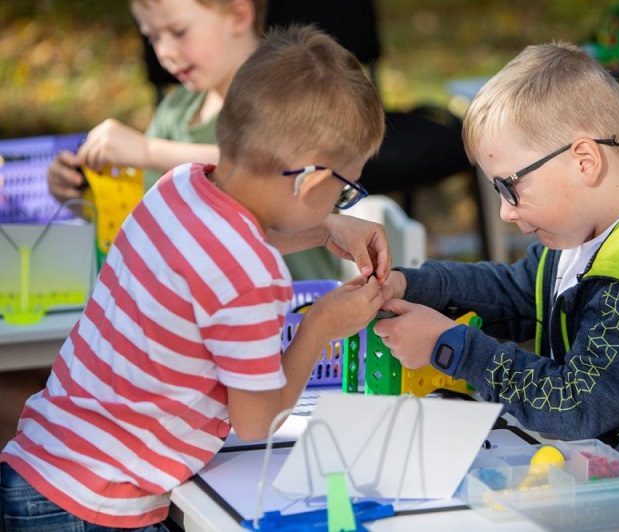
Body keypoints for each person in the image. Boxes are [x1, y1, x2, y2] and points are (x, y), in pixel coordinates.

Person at [373, 42, 619, 531]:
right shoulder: (597, 227)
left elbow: (574, 404)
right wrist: (408, 284)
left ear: (585, 160)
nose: (505, 211)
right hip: (602, 492)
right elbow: (515, 290)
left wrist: (450, 348)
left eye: (510, 187)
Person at [1, 24, 388, 530]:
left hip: (44, 464)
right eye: (344, 192)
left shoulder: (177, 186)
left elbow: (218, 256)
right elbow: (255, 419)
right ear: (313, 180)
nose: (341, 203)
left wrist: (322, 228)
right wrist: (320, 325)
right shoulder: (255, 276)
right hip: (98, 504)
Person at [46, 0, 339, 280]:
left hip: (299, 311)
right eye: (152, 37)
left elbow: (274, 168)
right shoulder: (176, 112)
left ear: (238, 16)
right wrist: (81, 196)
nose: (165, 53)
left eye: (178, 32)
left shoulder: (292, 96)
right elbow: (143, 218)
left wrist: (148, 151)